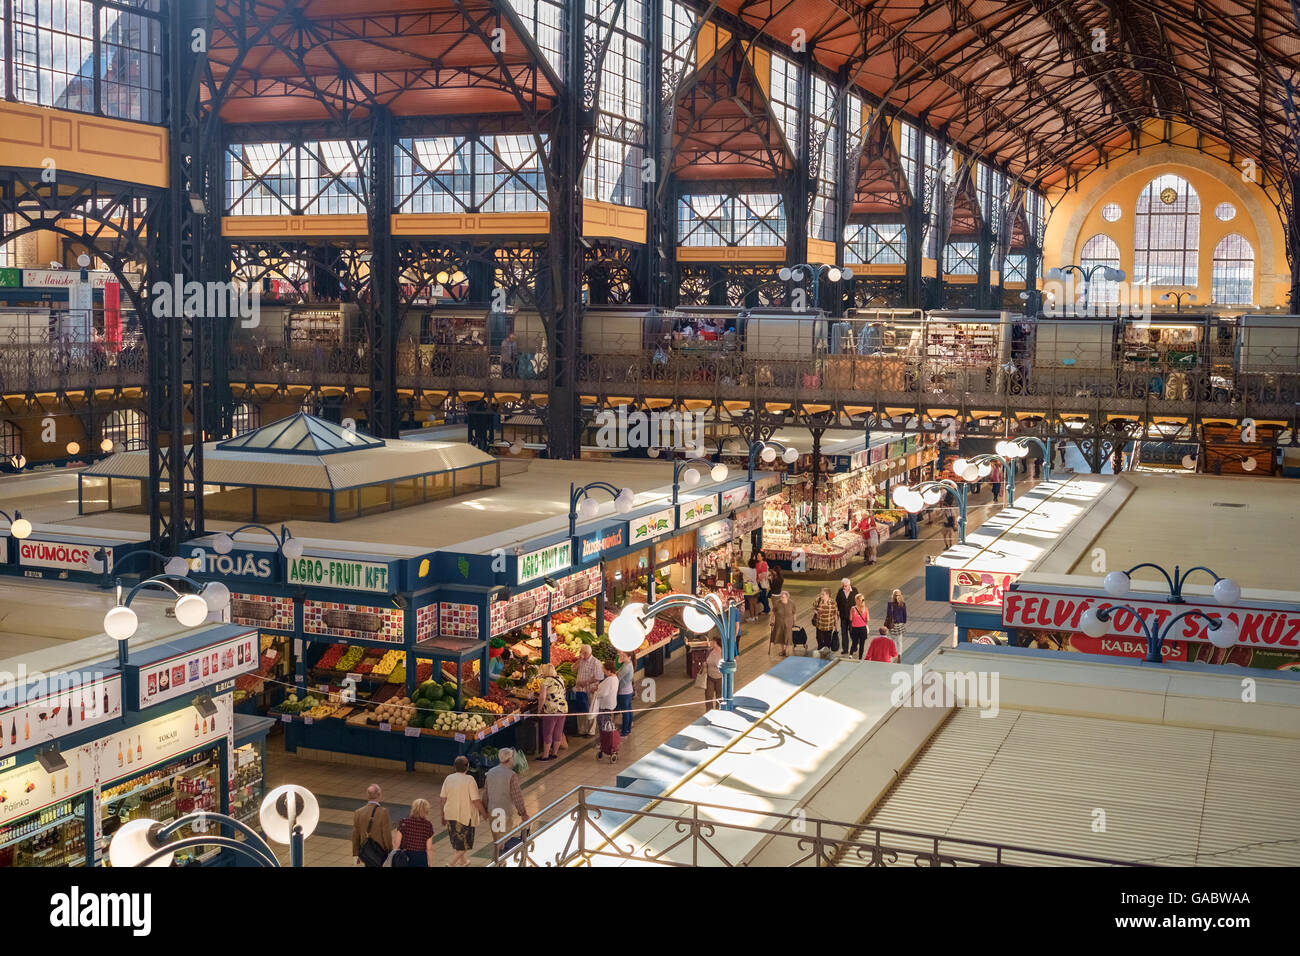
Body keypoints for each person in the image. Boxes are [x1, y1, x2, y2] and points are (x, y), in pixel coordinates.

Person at [440, 755, 487, 867]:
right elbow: (475, 800)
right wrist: (484, 813)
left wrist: (442, 814)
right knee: (466, 844)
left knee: (457, 842)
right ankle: (451, 864)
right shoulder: (469, 780)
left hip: (450, 814)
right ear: (468, 767)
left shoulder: (448, 778)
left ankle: (463, 862)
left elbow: (443, 799)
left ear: (454, 767)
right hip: (465, 816)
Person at [484, 748, 529, 841]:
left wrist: (484, 810)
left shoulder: (490, 772)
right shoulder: (511, 775)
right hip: (504, 812)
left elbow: (486, 793)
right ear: (509, 759)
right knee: (504, 840)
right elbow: (517, 796)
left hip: (492, 811)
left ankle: (497, 854)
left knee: (496, 840)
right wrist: (523, 813)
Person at [352, 784, 393, 867]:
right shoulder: (383, 812)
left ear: (367, 795)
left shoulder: (358, 812)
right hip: (379, 851)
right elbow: (386, 834)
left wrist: (355, 853)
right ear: (379, 795)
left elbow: (355, 835)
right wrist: (390, 850)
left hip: (366, 851)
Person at [536, 663, 568, 761]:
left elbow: (542, 697)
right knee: (558, 731)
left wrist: (539, 709)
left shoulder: (545, 681)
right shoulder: (560, 679)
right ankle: (554, 753)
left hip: (551, 710)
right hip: (563, 708)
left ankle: (545, 756)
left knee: (548, 732)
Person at [392, 798, 435, 867]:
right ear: (426, 811)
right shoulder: (428, 825)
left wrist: (395, 856)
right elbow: (429, 848)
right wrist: (430, 862)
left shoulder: (404, 822)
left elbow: (397, 843)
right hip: (421, 857)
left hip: (405, 856)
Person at [573, 644, 603, 737]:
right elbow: (573, 669)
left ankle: (591, 731)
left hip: (590, 690)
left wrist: (585, 683)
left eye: (581, 652)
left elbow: (599, 677)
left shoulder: (596, 662)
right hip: (580, 690)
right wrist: (579, 659)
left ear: (586, 653)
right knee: (581, 710)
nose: (580, 653)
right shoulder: (581, 661)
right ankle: (581, 730)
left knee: (590, 709)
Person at [594, 659, 621, 762]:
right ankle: (606, 745)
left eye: (604, 669)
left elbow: (603, 693)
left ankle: (608, 745)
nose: (603, 671)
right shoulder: (615, 679)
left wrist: (596, 692)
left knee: (604, 726)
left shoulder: (610, 680)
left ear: (609, 670)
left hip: (605, 706)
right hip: (610, 705)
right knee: (607, 726)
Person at [835, 577, 859, 656]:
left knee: (852, 632)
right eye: (843, 586)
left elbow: (858, 602)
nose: (844, 587)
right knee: (844, 633)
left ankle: (855, 646)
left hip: (852, 616)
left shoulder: (855, 591)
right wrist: (837, 612)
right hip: (843, 616)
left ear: (849, 585)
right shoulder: (840, 591)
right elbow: (837, 602)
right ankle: (845, 649)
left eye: (846, 586)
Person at [768, 590, 795, 657]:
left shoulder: (791, 603)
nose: (781, 598)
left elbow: (794, 613)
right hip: (779, 623)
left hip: (788, 623)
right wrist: (771, 620)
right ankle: (782, 650)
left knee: (788, 637)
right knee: (780, 636)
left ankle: (787, 650)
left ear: (787, 597)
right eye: (781, 597)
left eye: (783, 597)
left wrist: (794, 622)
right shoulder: (777, 603)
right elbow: (773, 612)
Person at [813, 587, 839, 652]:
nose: (821, 595)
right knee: (819, 641)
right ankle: (820, 653)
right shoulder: (818, 600)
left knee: (827, 642)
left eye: (823, 594)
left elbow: (835, 614)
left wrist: (836, 627)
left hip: (828, 626)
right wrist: (817, 612)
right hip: (819, 625)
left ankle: (826, 655)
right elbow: (814, 609)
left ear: (827, 595)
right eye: (821, 594)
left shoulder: (833, 603)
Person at [616, 651, 635, 737]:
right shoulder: (628, 664)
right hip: (628, 690)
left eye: (624, 656)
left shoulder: (627, 667)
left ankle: (625, 730)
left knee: (625, 712)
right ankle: (628, 728)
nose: (622, 657)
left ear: (629, 657)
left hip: (624, 692)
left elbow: (618, 677)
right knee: (628, 710)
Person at [704, 635, 723, 710]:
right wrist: (705, 664)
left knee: (719, 695)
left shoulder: (723, 652)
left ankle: (719, 709)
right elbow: (707, 660)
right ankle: (709, 711)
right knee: (708, 695)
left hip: (720, 677)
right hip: (710, 677)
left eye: (712, 641)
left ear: (716, 643)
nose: (710, 642)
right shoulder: (710, 651)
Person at [849, 593, 870, 659]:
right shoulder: (866, 609)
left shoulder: (853, 608)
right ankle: (860, 657)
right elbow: (868, 619)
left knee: (854, 642)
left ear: (856, 600)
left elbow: (850, 619)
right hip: (863, 628)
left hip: (855, 628)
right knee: (862, 644)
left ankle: (851, 654)